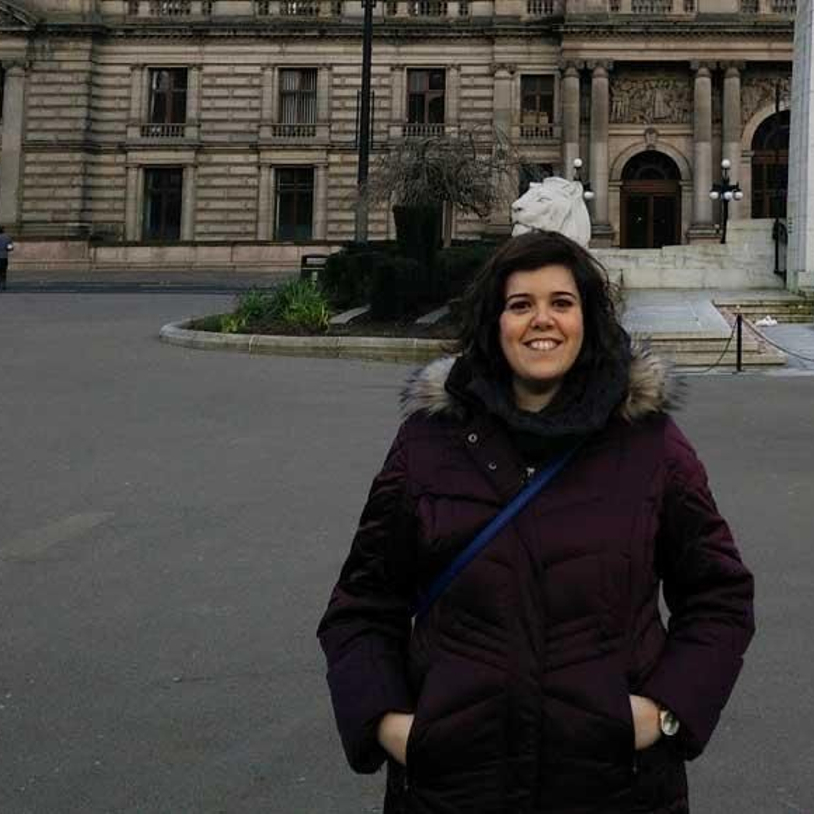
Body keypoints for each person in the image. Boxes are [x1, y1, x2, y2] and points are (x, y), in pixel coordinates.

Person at [317, 230, 756, 814]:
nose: (541, 321)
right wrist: (391, 724)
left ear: (588, 320)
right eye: (520, 305)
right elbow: (362, 605)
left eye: (561, 303)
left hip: (615, 786)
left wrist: (665, 712)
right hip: (453, 786)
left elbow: (719, 597)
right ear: (494, 323)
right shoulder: (427, 444)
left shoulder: (651, 446)